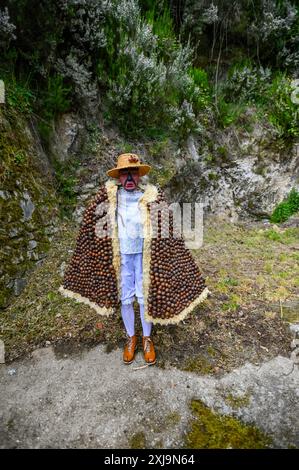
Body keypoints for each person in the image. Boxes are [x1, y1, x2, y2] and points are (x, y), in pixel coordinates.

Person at [59, 153, 210, 366]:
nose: (129, 178)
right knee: (126, 297)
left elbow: (168, 229)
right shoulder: (108, 198)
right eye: (124, 173)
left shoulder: (152, 198)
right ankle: (131, 337)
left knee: (144, 297)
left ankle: (147, 338)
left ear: (139, 176)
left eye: (133, 173)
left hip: (144, 256)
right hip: (121, 257)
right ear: (119, 177)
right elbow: (92, 224)